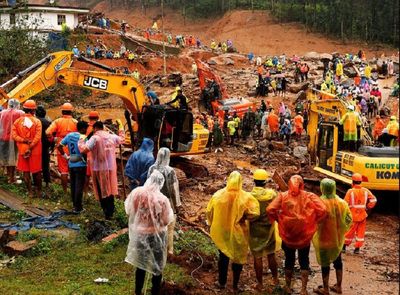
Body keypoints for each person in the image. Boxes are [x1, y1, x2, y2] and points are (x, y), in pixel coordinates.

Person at [267, 175, 327, 295]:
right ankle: (303, 290)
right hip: (304, 235)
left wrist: (279, 219)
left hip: (288, 236)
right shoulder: (309, 196)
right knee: (304, 261)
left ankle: (288, 287)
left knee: (289, 260)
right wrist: (314, 220)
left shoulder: (283, 196)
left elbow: (270, 209)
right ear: (302, 184)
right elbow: (323, 209)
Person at [207, 171, 260, 293]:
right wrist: (245, 217)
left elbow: (209, 211)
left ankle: (221, 282)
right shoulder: (246, 197)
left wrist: (211, 223)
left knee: (223, 256)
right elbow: (255, 213)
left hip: (222, 230)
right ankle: (235, 286)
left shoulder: (218, 195)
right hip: (238, 232)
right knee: (238, 258)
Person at [125, 170, 174, 295]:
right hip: (156, 235)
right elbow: (165, 220)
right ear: (161, 183)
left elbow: (130, 210)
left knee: (141, 264)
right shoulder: (162, 200)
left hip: (140, 234)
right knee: (157, 266)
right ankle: (155, 291)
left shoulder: (137, 193)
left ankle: (138, 291)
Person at [312, 178, 352, 295]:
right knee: (338, 261)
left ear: (322, 188)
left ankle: (325, 289)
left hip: (323, 238)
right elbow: (349, 219)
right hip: (337, 239)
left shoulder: (318, 203)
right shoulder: (342, 203)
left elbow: (312, 219)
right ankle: (339, 286)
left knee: (325, 263)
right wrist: (342, 229)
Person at [79, 120, 125, 219]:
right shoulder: (111, 137)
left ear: (95, 128)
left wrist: (81, 140)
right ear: (103, 127)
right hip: (110, 168)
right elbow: (122, 139)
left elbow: (84, 149)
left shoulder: (95, 138)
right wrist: (121, 127)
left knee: (102, 191)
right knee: (110, 190)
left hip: (98, 168)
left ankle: (106, 212)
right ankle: (111, 211)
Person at [249, 169, 280, 292]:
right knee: (271, 254)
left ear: (254, 181)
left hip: (255, 229)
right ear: (265, 182)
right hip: (269, 227)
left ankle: (260, 284)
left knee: (257, 256)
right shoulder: (272, 194)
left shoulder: (250, 196)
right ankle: (276, 279)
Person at [148, 148, 181, 255]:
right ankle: (169, 251)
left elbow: (148, 185)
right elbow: (174, 189)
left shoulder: (151, 168)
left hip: (153, 202)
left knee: (155, 225)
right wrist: (177, 205)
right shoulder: (170, 171)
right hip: (167, 203)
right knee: (169, 228)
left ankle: (155, 246)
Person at [11, 100, 42, 198]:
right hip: (35, 150)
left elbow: (14, 135)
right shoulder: (37, 121)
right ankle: (38, 192)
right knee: (36, 171)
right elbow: (38, 137)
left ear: (24, 109)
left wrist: (23, 140)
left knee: (26, 172)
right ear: (33, 110)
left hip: (22, 149)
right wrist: (31, 146)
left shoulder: (17, 122)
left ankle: (30, 192)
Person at [46, 102, 77, 192]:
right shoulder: (75, 122)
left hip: (61, 147)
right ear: (71, 112)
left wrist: (53, 139)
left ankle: (64, 191)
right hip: (73, 148)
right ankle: (74, 190)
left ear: (62, 111)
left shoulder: (57, 121)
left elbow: (48, 132)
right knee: (74, 169)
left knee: (63, 171)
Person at [58, 121, 88, 213]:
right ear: (83, 129)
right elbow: (86, 150)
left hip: (71, 161)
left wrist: (65, 156)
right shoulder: (83, 137)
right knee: (79, 185)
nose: (86, 131)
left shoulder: (69, 135)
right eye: (85, 129)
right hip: (81, 163)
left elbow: (59, 146)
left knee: (73, 185)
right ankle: (78, 207)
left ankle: (74, 205)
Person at [343, 173, 377, 254]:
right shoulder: (366, 191)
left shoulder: (350, 191)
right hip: (362, 215)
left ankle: (343, 247)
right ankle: (357, 249)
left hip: (352, 215)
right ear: (360, 181)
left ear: (353, 182)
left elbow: (345, 203)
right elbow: (374, 200)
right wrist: (368, 207)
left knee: (349, 232)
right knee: (360, 233)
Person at [0, 99, 24, 184]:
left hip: (3, 138)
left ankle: (8, 175)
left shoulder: (2, 112)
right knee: (13, 159)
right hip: (14, 139)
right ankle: (11, 178)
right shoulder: (20, 113)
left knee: (5, 157)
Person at [35, 105, 52, 187]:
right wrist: (51, 146)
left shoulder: (34, 121)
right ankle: (47, 182)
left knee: (35, 164)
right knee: (45, 165)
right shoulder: (48, 122)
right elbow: (51, 135)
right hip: (45, 146)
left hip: (35, 145)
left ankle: (35, 183)